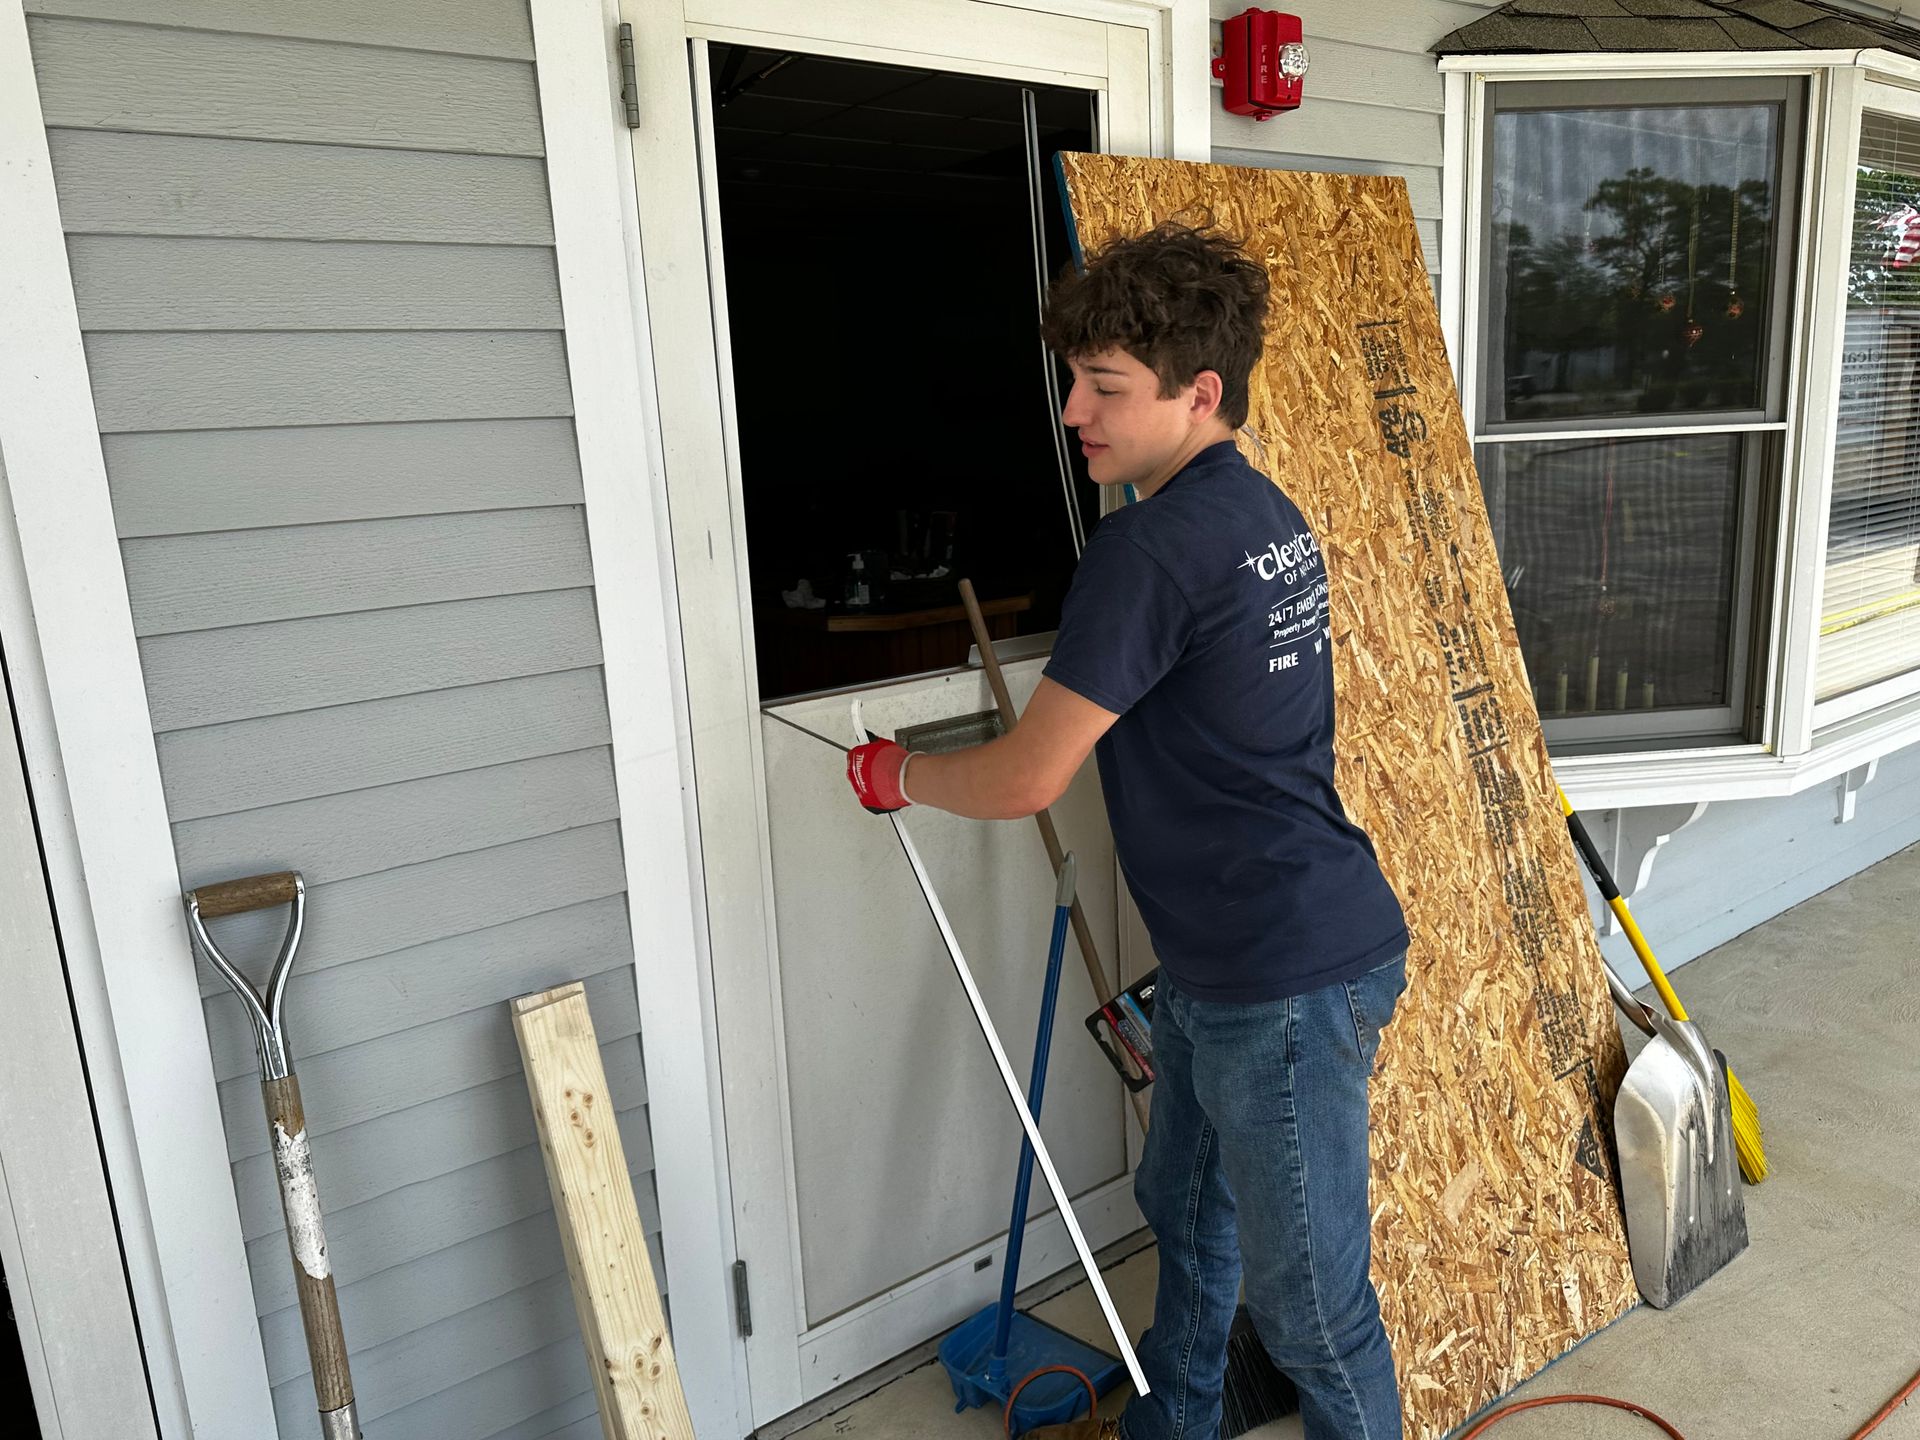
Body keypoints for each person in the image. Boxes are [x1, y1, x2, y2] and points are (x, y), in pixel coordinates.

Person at [844, 223, 1410, 1440]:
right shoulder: (1260, 511)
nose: (1072, 413)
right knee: (1186, 1207)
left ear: (1198, 393)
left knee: (1314, 1313)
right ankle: (1173, 1424)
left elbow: (1024, 778)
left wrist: (902, 773)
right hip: (1233, 958)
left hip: (1285, 976)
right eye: (1074, 381)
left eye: (1105, 388)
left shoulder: (1147, 550)